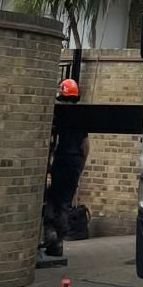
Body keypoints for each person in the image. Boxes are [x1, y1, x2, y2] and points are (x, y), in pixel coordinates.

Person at [41, 78, 89, 257]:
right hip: (74, 162)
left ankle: (52, 237)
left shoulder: (58, 115)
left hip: (60, 160)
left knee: (52, 199)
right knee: (64, 202)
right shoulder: (81, 117)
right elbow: (85, 146)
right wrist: (80, 168)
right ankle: (58, 240)